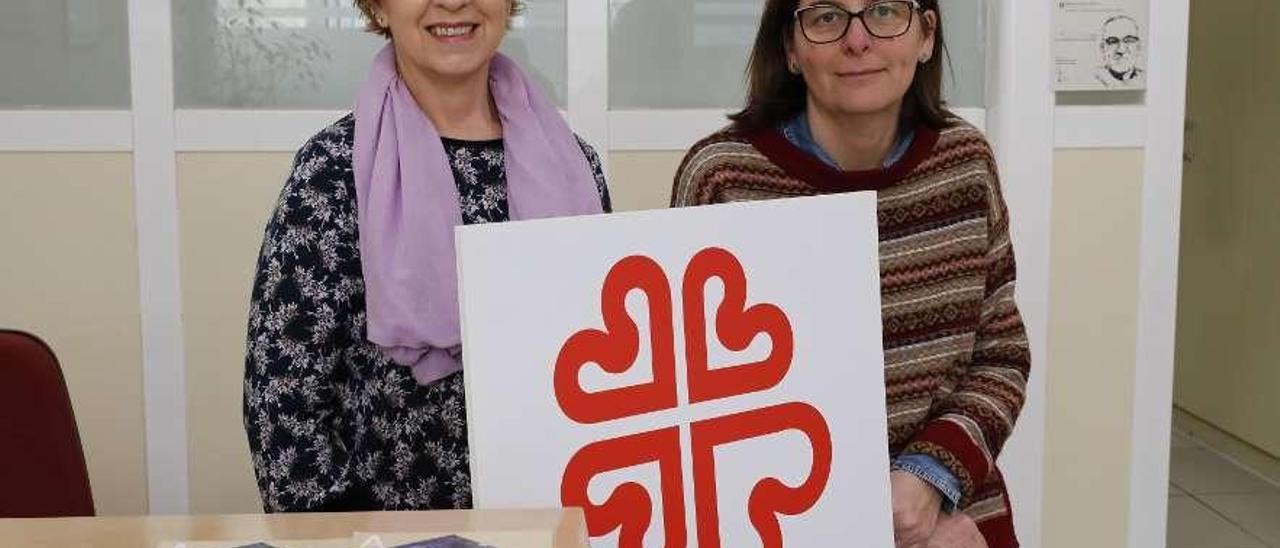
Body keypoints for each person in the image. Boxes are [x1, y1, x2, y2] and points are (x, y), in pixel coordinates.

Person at [670, 1, 1029, 547]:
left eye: (884, 11)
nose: (858, 41)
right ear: (790, 48)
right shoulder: (722, 179)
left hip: (951, 523)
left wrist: (930, 479)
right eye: (826, 17)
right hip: (781, 522)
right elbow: (691, 395)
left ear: (926, 36)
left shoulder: (967, 163)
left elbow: (1001, 354)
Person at [243, 0, 610, 512]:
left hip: (555, 518)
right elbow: (283, 402)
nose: (454, 3)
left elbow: (607, 366)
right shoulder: (332, 173)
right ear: (377, 6)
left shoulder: (575, 166)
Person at [1092, 15, 1144, 88]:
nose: (1121, 50)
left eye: (1129, 40)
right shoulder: (1094, 80)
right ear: (1102, 48)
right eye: (1113, 41)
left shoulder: (1145, 79)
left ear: (1138, 47)